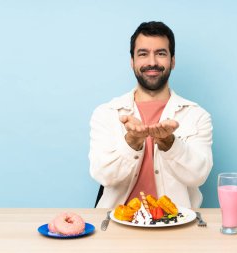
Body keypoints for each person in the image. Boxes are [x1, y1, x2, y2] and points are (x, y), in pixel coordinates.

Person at [89, 21, 213, 209]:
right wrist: (131, 142)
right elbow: (102, 175)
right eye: (143, 54)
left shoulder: (197, 115)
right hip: (117, 225)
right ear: (132, 62)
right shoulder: (106, 113)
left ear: (172, 61)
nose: (152, 62)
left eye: (161, 53)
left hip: (176, 226)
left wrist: (170, 144)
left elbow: (199, 176)